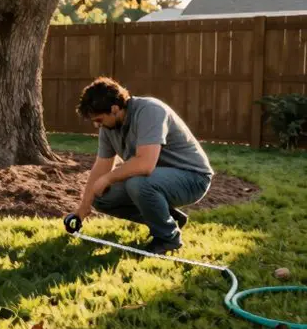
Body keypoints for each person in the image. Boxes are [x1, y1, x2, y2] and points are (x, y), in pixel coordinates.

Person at [71, 77, 213, 254]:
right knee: (100, 196)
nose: (96, 125)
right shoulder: (108, 128)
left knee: (138, 183)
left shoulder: (150, 111)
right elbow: (101, 166)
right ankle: (168, 218)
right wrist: (82, 210)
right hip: (156, 178)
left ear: (114, 109)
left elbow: (145, 165)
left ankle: (167, 238)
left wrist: (108, 178)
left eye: (99, 119)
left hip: (192, 178)